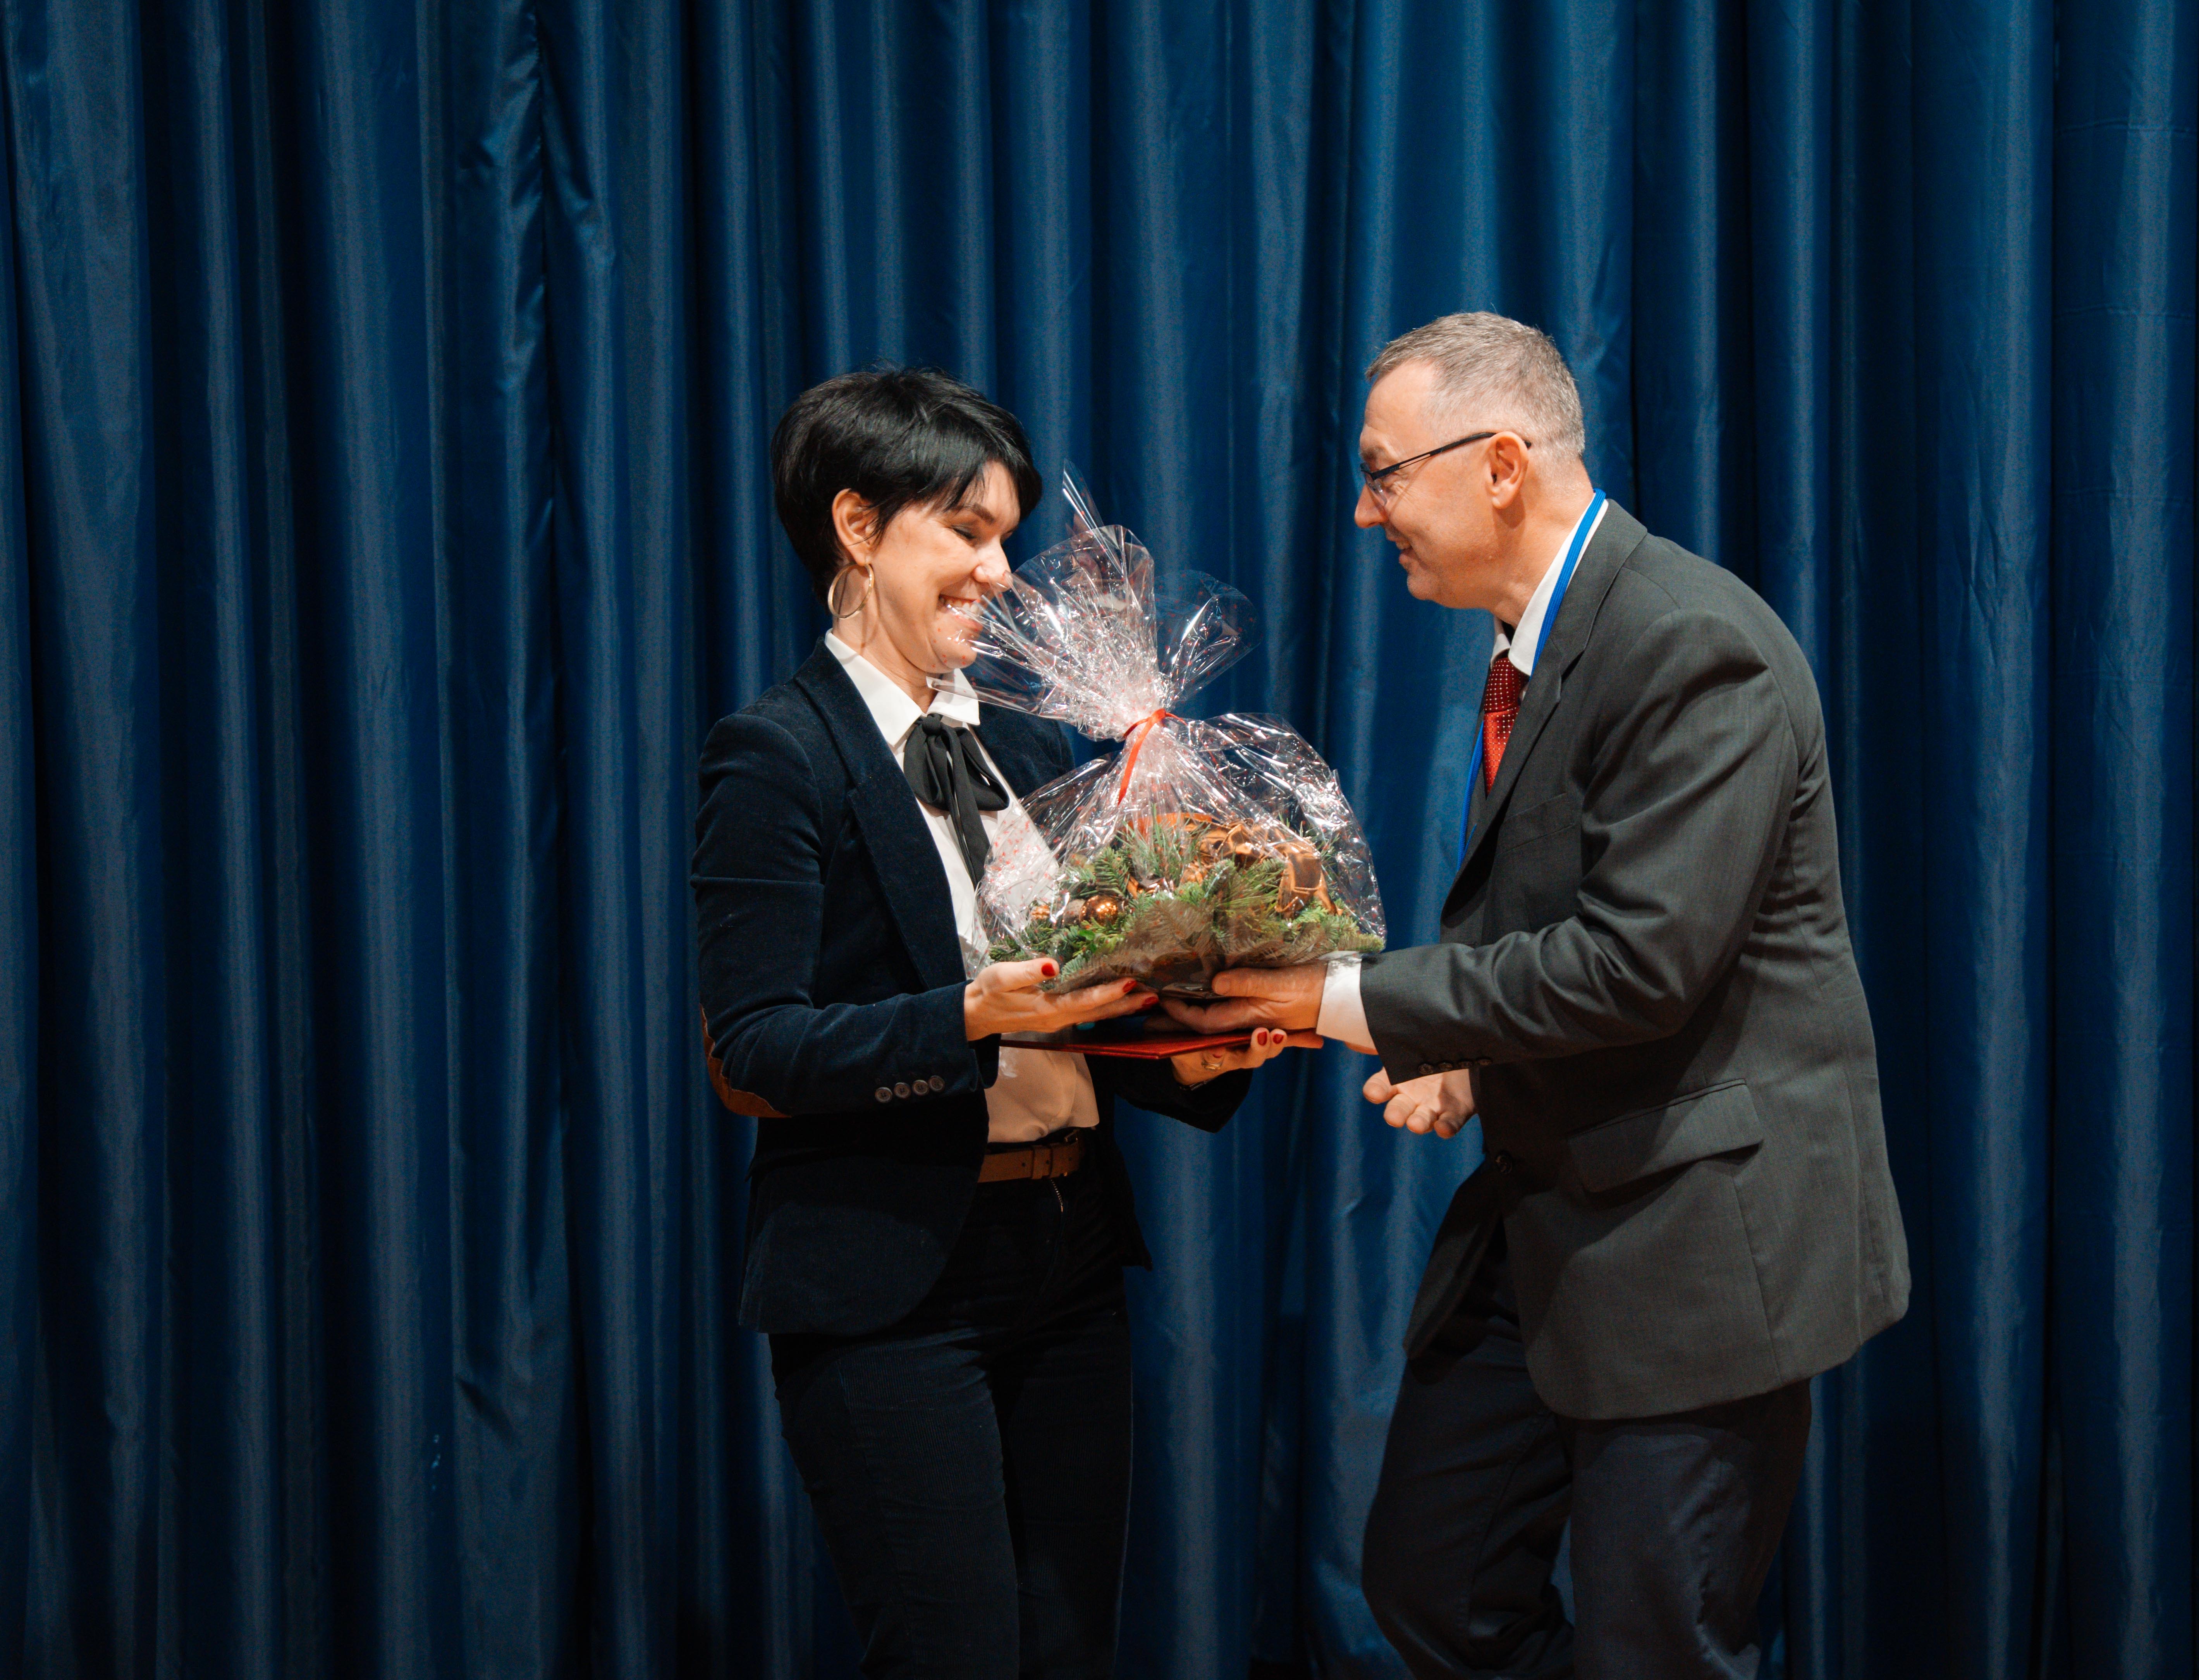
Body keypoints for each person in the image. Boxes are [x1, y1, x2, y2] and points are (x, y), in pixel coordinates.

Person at [1168, 314, 1910, 1678]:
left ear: (1500, 464)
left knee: (1656, 1647)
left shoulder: (1689, 641)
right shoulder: (1542, 644)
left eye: (1384, 473)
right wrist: (1472, 1056)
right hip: (1557, 1212)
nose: (1363, 510)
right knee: (1432, 1583)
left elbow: (1640, 963)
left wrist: (1332, 995)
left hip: (1691, 1240)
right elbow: (1576, 934)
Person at [691, 365, 1299, 1680]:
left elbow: (1077, 1014)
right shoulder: (777, 754)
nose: (1000, 571)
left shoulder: (1027, 749)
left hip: (1070, 1255)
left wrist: (1196, 1047)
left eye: (1006, 536)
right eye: (966, 531)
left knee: (1074, 1651)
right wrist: (967, 1013)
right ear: (858, 527)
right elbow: (755, 1047)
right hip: (893, 1283)